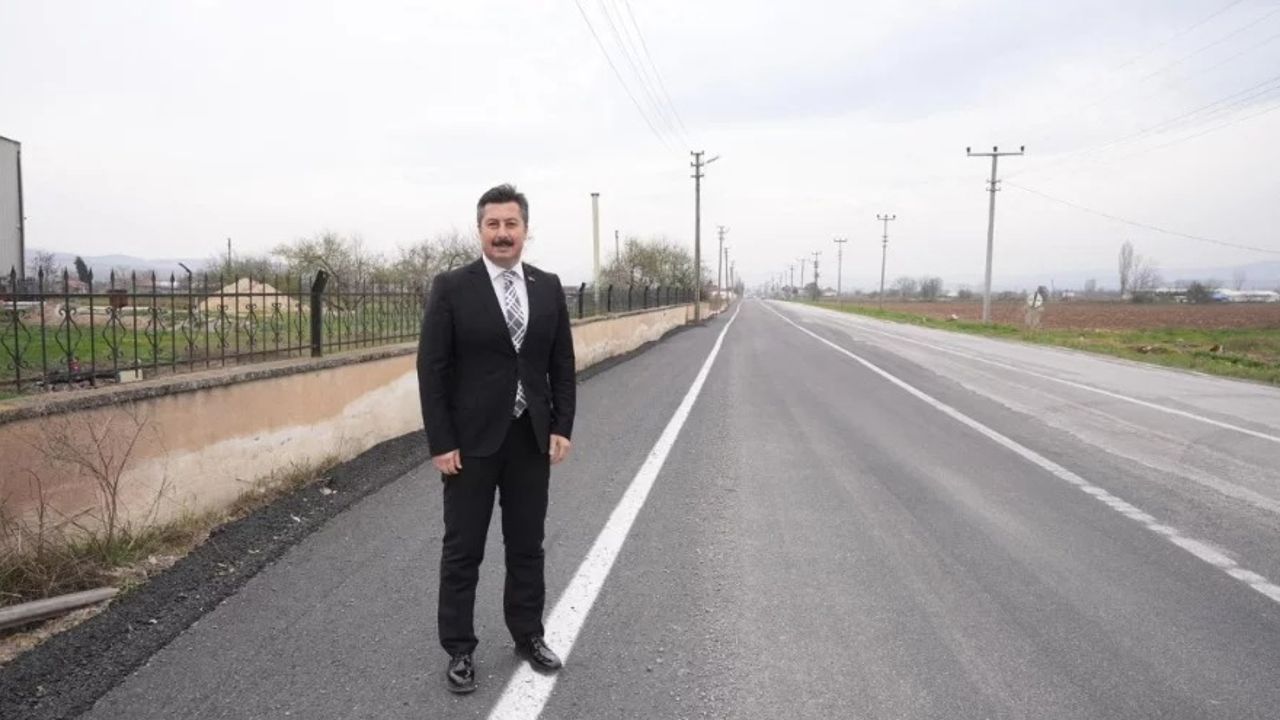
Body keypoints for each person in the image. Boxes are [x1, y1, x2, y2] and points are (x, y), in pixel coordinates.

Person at [417, 184, 576, 694]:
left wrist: (561, 426)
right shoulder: (452, 287)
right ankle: (459, 649)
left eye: (511, 224)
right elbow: (432, 369)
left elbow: (561, 363)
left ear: (525, 229)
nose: (502, 233)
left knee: (527, 545)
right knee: (463, 549)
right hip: (470, 444)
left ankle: (528, 634)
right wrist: (441, 442)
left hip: (530, 439)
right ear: (480, 229)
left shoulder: (547, 286)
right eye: (493, 224)